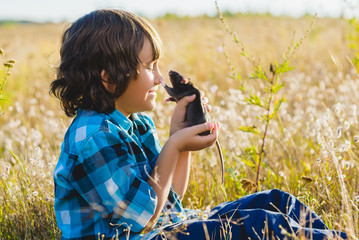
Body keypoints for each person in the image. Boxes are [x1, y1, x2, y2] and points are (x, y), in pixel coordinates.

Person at [50, 9, 347, 240]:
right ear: (109, 77)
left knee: (275, 201)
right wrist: (174, 145)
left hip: (164, 228)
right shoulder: (93, 138)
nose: (158, 78)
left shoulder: (136, 124)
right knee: (260, 225)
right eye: (148, 67)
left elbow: (171, 197)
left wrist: (180, 141)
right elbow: (143, 216)